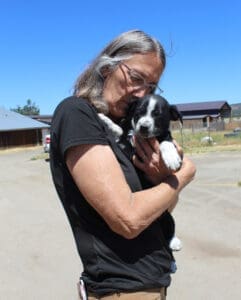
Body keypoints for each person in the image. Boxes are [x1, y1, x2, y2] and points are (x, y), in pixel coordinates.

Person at [50, 29, 196, 300]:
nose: (142, 93)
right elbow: (128, 220)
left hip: (153, 283)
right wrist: (182, 176)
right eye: (136, 78)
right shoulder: (77, 114)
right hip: (123, 289)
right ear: (108, 67)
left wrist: (159, 178)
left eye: (151, 87)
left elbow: (163, 208)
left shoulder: (125, 130)